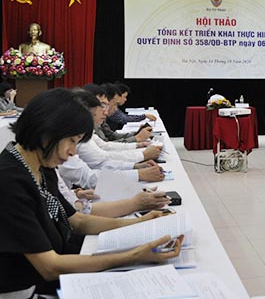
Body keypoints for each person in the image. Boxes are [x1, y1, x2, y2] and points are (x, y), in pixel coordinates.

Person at [0, 88, 182, 296]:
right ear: (47, 131)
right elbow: (50, 267)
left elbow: (77, 220)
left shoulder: (40, 166)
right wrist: (134, 256)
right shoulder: (9, 180)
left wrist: (141, 224)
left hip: (58, 271)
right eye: (72, 141)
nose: (73, 152)